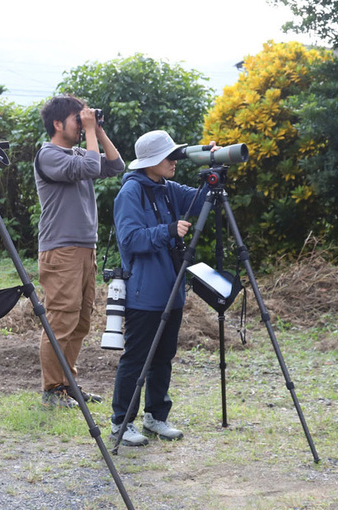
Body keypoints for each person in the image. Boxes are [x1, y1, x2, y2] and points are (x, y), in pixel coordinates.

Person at [109, 130, 213, 446]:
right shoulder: (130, 193)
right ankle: (121, 423)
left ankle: (156, 417)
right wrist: (167, 231)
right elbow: (129, 240)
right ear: (151, 162)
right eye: (170, 157)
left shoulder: (167, 189)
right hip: (143, 292)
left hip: (172, 289)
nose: (174, 162)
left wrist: (213, 166)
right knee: (137, 358)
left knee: (164, 356)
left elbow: (204, 199)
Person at [34, 94, 124, 409]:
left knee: (81, 321)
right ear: (58, 124)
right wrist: (89, 133)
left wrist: (96, 131)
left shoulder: (78, 152)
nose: (83, 122)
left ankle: (68, 384)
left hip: (85, 249)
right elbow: (90, 165)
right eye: (78, 118)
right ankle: (52, 390)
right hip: (61, 250)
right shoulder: (48, 156)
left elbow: (115, 165)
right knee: (61, 320)